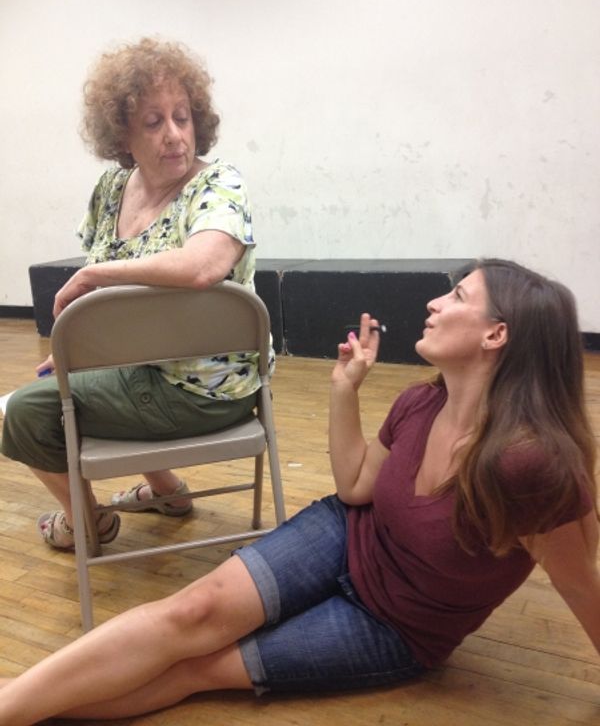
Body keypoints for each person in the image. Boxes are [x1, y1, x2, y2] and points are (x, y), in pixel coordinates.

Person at [0, 258, 597, 725]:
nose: (436, 302)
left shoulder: (531, 469)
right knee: (189, 614)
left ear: (497, 335)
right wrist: (345, 391)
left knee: (196, 670)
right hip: (345, 533)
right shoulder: (421, 402)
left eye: (459, 296)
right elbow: (357, 489)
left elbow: (578, 584)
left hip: (395, 626)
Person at [1, 37, 266, 549]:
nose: (174, 135)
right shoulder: (110, 190)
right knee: (68, 385)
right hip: (141, 370)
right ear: (122, 133)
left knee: (25, 411)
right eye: (153, 122)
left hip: (205, 392)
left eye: (182, 118)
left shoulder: (220, 186)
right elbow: (115, 312)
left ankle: (86, 522)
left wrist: (97, 276)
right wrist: (83, 354)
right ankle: (168, 490)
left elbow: (205, 264)